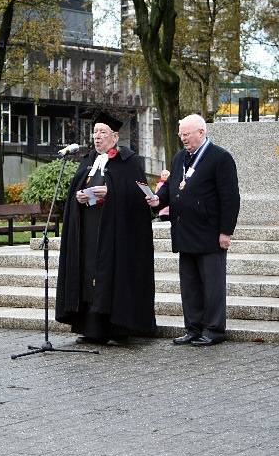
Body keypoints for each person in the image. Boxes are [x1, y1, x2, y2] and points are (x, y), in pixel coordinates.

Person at [55, 111, 156, 346]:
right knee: (88, 274)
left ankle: (116, 328)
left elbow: (138, 195)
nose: (97, 137)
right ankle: (91, 329)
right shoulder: (89, 160)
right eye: (95, 132)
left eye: (102, 132)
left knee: (110, 275)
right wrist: (79, 196)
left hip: (115, 233)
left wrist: (112, 193)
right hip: (89, 230)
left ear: (115, 136)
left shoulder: (128, 161)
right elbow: (79, 187)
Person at [146, 114, 240, 346]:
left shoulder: (220, 158)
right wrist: (158, 199)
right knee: (189, 286)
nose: (183, 139)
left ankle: (214, 330)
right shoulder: (180, 158)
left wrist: (225, 232)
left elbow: (230, 198)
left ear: (201, 132)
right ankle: (193, 328)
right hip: (184, 231)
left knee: (212, 285)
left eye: (187, 135)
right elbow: (172, 187)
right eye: (181, 135)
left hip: (209, 234)